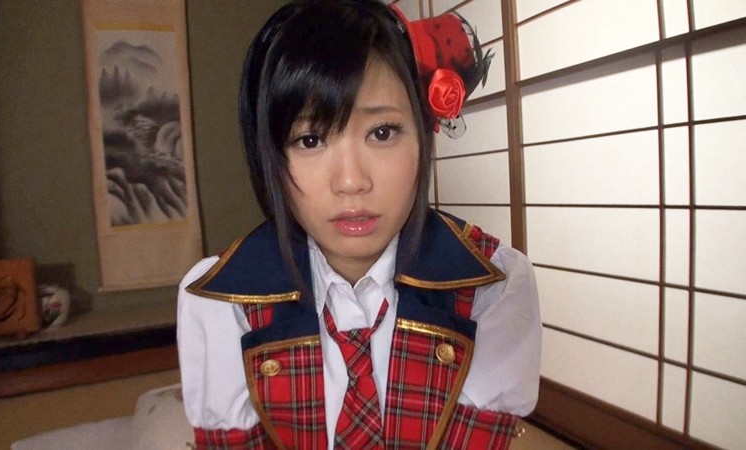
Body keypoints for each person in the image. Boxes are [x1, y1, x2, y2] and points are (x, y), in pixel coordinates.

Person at [177, 0, 541, 448]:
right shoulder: (221, 299)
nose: (351, 181)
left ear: (424, 133)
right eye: (310, 139)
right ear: (270, 153)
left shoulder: (493, 284)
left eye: (382, 133)